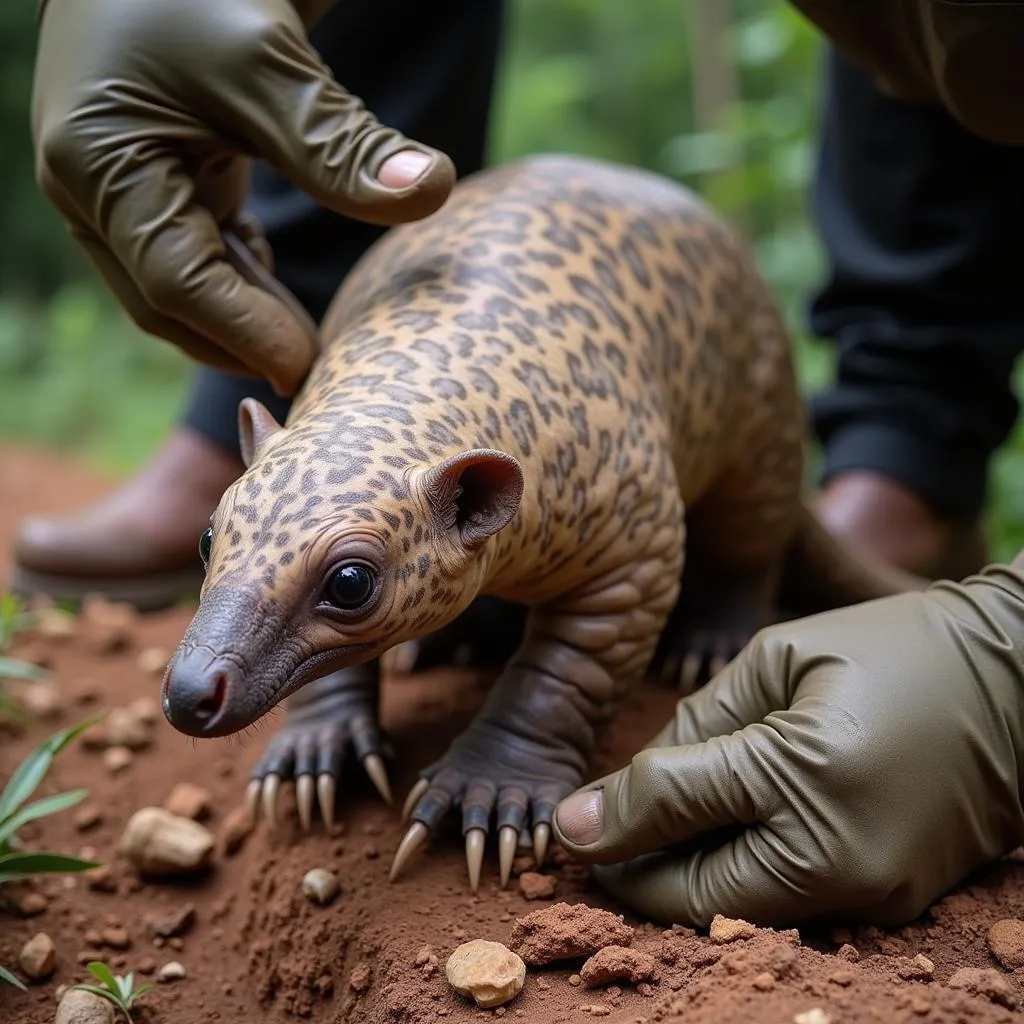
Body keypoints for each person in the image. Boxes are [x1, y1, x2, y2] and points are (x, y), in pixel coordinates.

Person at [18, 0, 1024, 925]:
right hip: (411, 322)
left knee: (731, 529)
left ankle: (872, 483)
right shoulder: (360, 451)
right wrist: (324, 685)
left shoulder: (585, 472)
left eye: (349, 582)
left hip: (678, 316)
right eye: (218, 543)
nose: (198, 681)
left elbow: (629, 560)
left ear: (476, 501)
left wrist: (1005, 659)